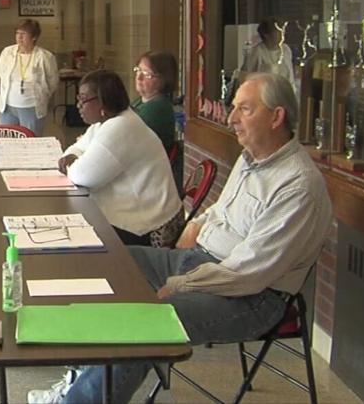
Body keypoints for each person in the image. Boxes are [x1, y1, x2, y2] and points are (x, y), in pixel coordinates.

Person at [29, 72, 333, 404]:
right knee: (102, 262)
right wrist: (194, 227)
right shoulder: (251, 159)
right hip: (201, 262)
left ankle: (77, 401)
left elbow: (249, 273)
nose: (231, 119)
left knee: (150, 320)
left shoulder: (298, 185)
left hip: (251, 296)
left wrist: (181, 283)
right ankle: (78, 382)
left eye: (244, 109)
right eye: (233, 108)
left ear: (277, 117)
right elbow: (221, 211)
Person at [58, 70, 183, 248]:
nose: (78, 105)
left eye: (84, 99)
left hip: (151, 226)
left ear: (103, 100)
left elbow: (82, 176)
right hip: (137, 213)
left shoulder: (121, 126)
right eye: (78, 98)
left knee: (78, 237)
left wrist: (73, 160)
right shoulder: (105, 122)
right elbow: (74, 149)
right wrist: (74, 156)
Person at [0, 19, 59, 136]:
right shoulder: (7, 52)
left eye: (23, 34)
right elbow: (1, 73)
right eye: (17, 33)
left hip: (31, 107)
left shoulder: (45, 56)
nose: (19, 37)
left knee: (31, 141)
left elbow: (52, 81)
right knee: (7, 142)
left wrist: (42, 95)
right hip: (7, 107)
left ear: (34, 37)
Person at [130, 51, 177, 153]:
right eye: (138, 70)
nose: (139, 77)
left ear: (164, 79)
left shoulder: (158, 107)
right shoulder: (140, 101)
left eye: (147, 74)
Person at [241, 18, 297, 92]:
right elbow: (245, 76)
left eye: (282, 30)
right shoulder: (257, 52)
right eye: (277, 31)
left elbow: (290, 76)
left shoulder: (286, 50)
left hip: (284, 94)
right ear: (266, 35)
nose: (282, 34)